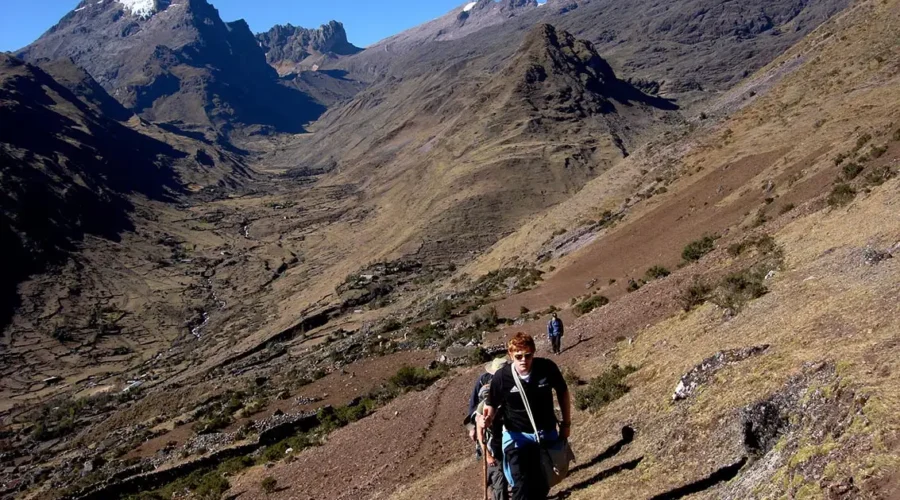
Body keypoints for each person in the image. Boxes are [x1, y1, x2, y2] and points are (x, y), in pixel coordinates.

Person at [484, 333, 572, 500]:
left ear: (533, 353)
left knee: (542, 483)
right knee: (521, 481)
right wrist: (486, 419)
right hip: (517, 436)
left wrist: (566, 424)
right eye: (518, 356)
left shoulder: (546, 368)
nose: (523, 360)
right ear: (511, 355)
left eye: (528, 355)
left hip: (545, 432)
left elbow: (562, 392)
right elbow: (491, 405)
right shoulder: (502, 378)